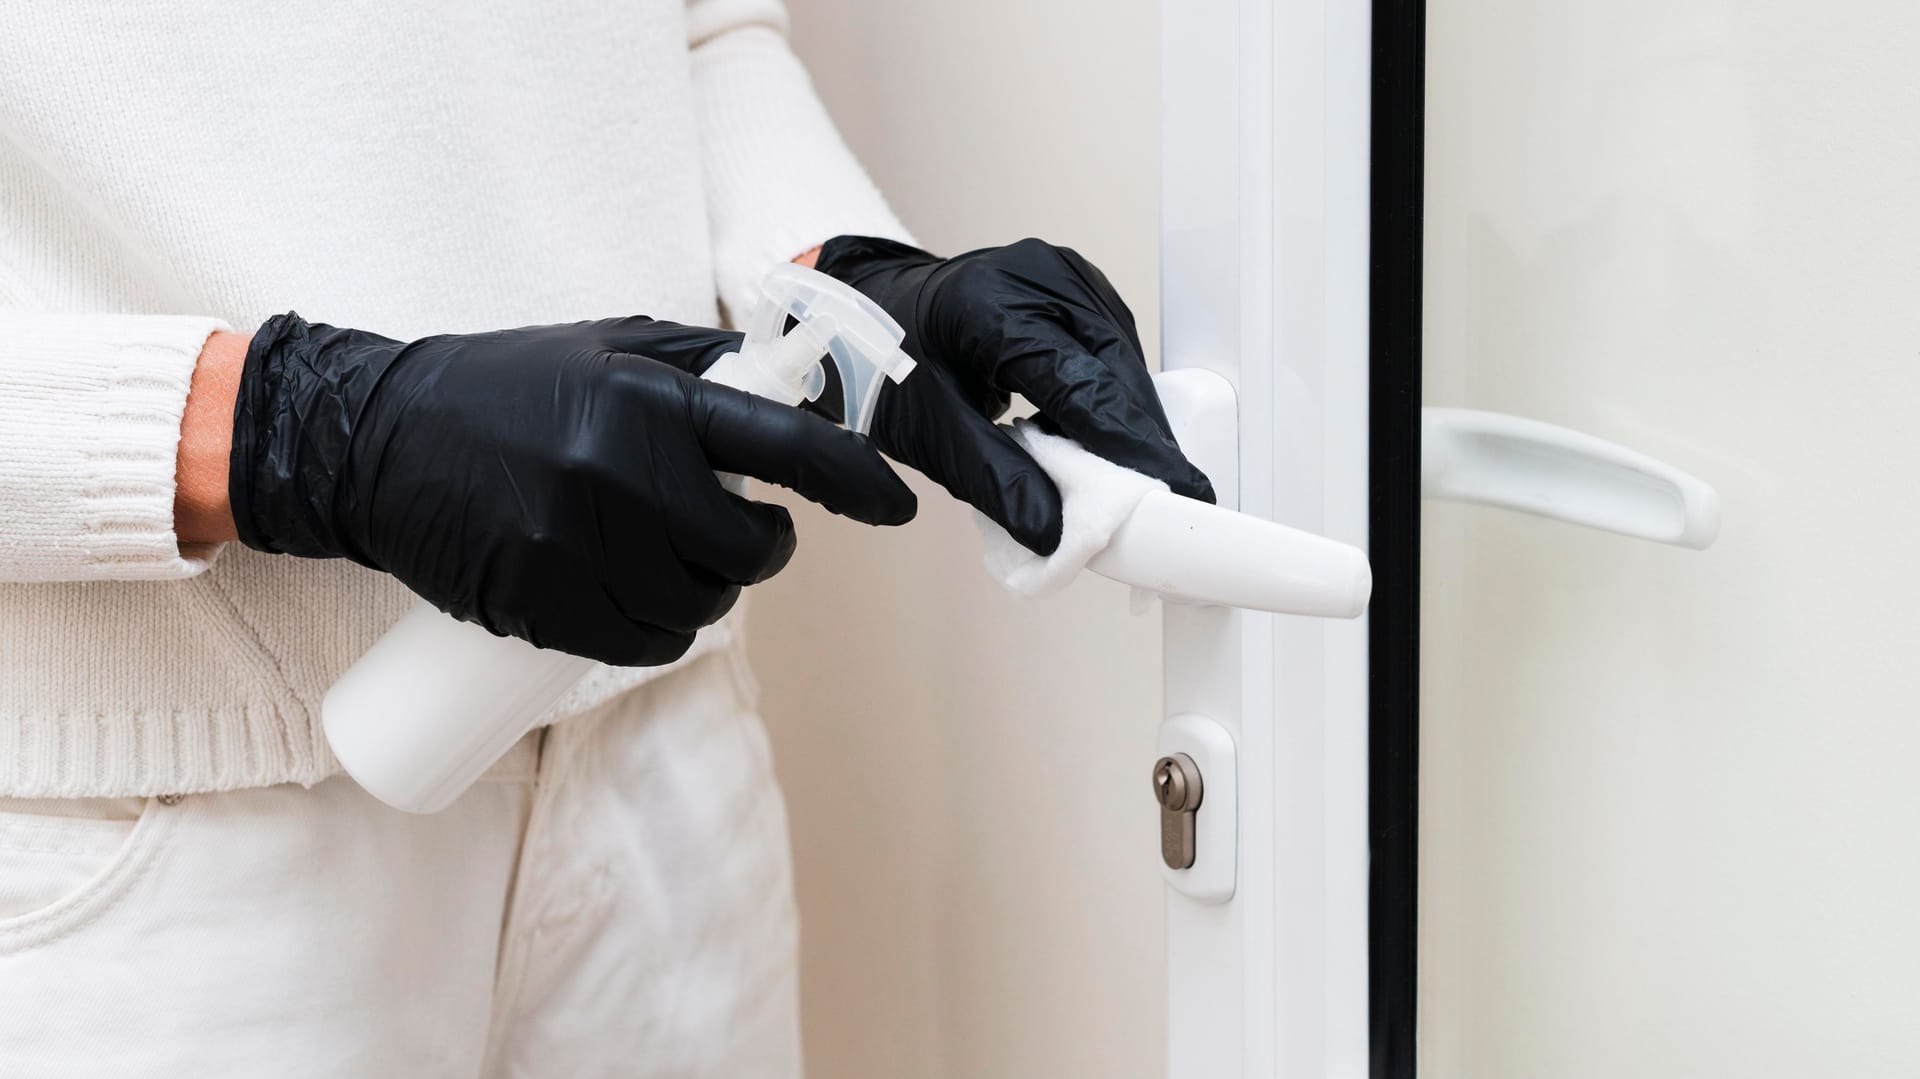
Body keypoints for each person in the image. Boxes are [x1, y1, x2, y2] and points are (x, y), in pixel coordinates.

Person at [0, 3, 1211, 1075]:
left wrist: (848, 273)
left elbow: (698, 32)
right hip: (146, 870)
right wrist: (287, 427)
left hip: (664, 789)